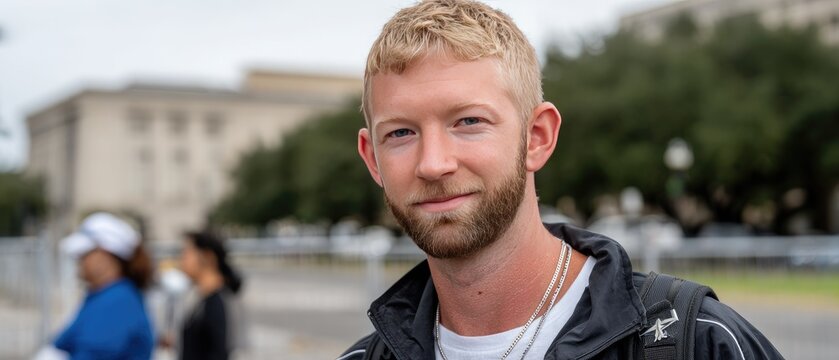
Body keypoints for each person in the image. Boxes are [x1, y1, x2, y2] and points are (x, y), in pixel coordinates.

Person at [340, 1, 783, 359]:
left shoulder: (699, 343)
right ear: (373, 159)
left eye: (469, 121)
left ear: (537, 137)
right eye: (400, 133)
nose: (433, 163)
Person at [54, 212, 155, 359]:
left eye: (84, 254)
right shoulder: (101, 296)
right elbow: (63, 342)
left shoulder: (117, 302)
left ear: (105, 255)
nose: (79, 260)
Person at [176, 231, 245, 360]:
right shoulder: (202, 298)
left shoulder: (220, 301)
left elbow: (223, 351)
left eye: (187, 253)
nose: (182, 259)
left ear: (207, 256)